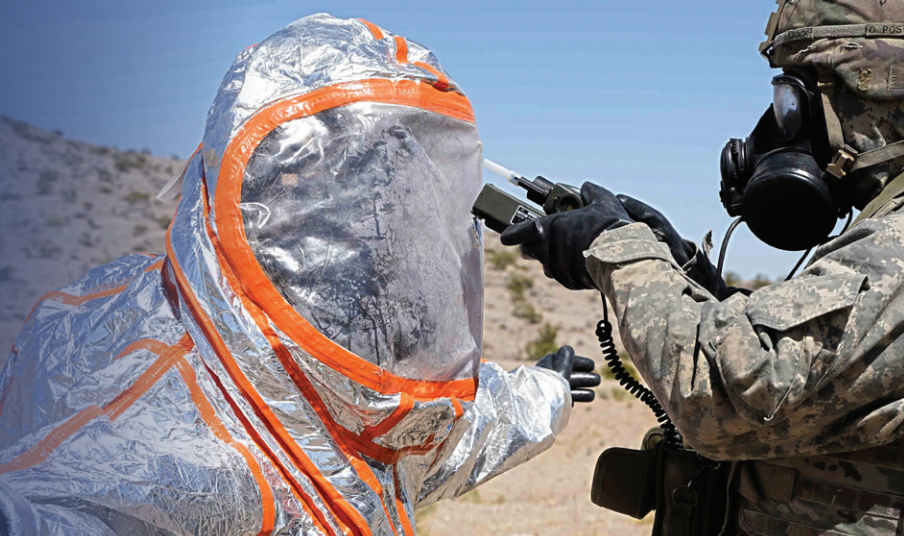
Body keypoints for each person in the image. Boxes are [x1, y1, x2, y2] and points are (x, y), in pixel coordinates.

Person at [501, 1, 904, 535]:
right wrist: (684, 270)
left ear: (871, 96)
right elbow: (826, 366)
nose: (775, 128)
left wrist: (617, 249)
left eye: (793, 99)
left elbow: (728, 398)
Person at [0, 14, 599, 536]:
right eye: (348, 171)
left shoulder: (351, 357)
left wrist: (539, 391)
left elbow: (428, 438)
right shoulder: (174, 408)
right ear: (268, 179)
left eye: (394, 175)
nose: (378, 207)